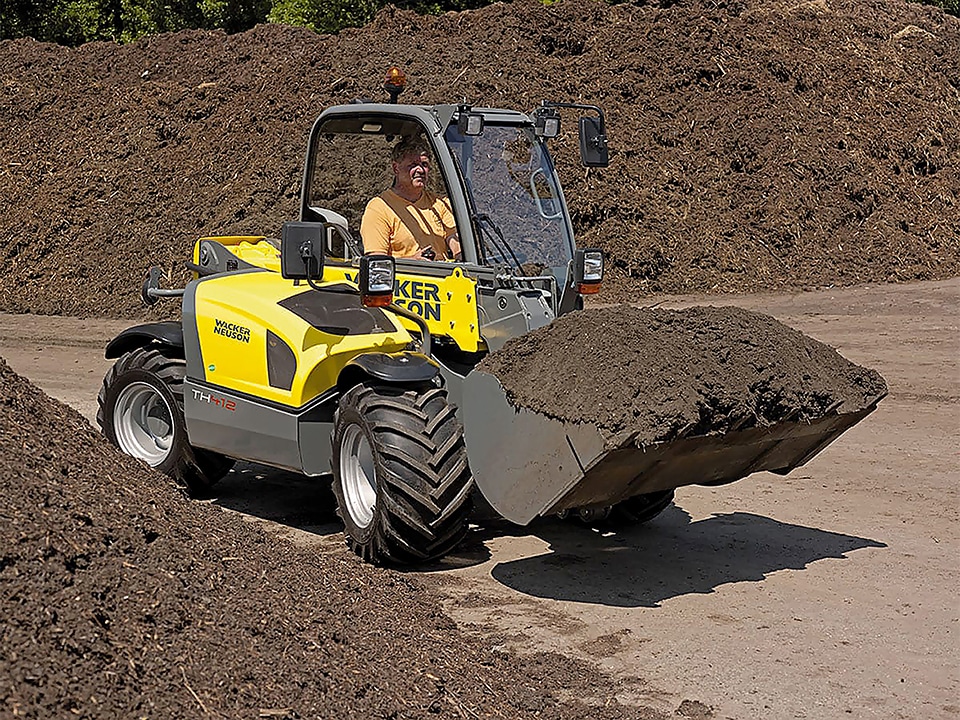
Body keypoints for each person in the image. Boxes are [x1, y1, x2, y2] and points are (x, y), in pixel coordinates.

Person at [360, 137, 461, 260]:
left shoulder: (440, 204)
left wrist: (462, 256)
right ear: (396, 168)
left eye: (424, 164)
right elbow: (376, 262)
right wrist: (413, 261)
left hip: (443, 277)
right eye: (412, 165)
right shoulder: (379, 207)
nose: (420, 170)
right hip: (404, 277)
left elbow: (456, 242)